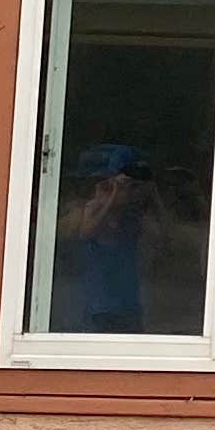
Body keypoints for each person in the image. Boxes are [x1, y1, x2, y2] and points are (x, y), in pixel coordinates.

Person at [55, 143, 169, 333]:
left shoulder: (132, 217)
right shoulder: (91, 209)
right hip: (98, 307)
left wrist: (153, 195)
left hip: (129, 307)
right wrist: (111, 196)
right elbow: (86, 232)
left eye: (131, 187)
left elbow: (165, 236)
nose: (128, 191)